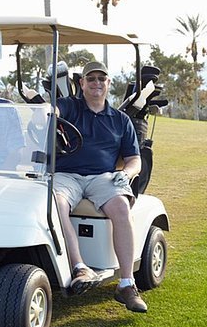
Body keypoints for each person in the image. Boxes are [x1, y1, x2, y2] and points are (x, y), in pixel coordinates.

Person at [55, 61, 147, 313]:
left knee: (120, 206)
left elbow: (134, 159)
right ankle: (79, 267)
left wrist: (126, 174)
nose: (96, 83)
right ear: (81, 83)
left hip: (102, 177)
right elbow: (53, 110)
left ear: (108, 83)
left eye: (101, 79)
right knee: (56, 204)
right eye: (91, 79)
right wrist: (48, 109)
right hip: (67, 174)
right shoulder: (70, 107)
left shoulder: (120, 120)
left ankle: (127, 283)